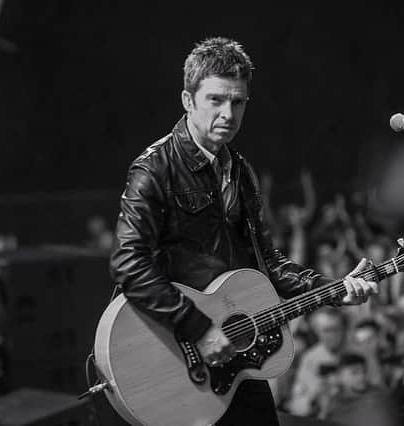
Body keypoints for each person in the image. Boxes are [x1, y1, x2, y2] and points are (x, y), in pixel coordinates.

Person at [109, 36, 378, 426]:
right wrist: (198, 328)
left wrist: (334, 289)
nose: (228, 113)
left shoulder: (241, 172)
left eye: (238, 102)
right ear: (188, 100)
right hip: (171, 353)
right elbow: (128, 264)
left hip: (234, 351)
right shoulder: (155, 168)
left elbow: (268, 263)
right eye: (216, 99)